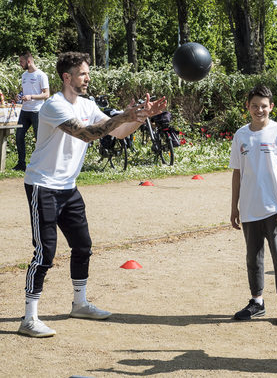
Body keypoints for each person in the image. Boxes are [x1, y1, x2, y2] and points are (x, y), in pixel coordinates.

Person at [18, 52, 167, 338]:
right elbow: (86, 134)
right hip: (43, 185)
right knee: (45, 254)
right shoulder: (53, 106)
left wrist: (138, 117)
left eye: (87, 73)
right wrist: (122, 114)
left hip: (68, 188)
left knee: (83, 246)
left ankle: (80, 303)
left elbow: (119, 131)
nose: (88, 78)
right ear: (67, 77)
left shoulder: (88, 103)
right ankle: (29, 318)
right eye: (83, 73)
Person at [229, 85, 277, 325]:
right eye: (254, 105)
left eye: (264, 106)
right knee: (253, 258)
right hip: (250, 208)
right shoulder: (241, 135)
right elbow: (237, 173)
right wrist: (234, 207)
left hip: (275, 207)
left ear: (271, 107)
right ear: (247, 107)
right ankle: (257, 302)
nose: (259, 110)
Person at [14, 51, 50, 171]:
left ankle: (40, 165)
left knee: (39, 139)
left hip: (37, 111)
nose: (20, 64)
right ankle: (21, 164)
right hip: (24, 111)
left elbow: (46, 94)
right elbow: (25, 92)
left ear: (28, 61)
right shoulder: (24, 75)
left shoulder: (41, 75)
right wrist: (20, 96)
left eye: (21, 61)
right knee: (19, 136)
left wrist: (31, 97)